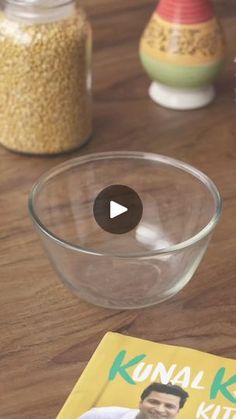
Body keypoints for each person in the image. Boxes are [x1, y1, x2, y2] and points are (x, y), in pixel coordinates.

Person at [79, 382, 189, 419]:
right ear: (141, 403)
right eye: (154, 402)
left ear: (177, 412)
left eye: (169, 406)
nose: (160, 409)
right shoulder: (100, 416)